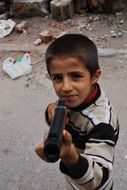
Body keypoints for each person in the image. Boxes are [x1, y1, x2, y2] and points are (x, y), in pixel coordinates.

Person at [35, 34, 119, 190]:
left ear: (94, 76)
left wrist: (69, 156)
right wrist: (51, 110)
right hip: (74, 179)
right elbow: (56, 113)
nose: (66, 87)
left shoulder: (101, 123)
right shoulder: (75, 99)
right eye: (58, 78)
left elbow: (99, 178)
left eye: (76, 76)